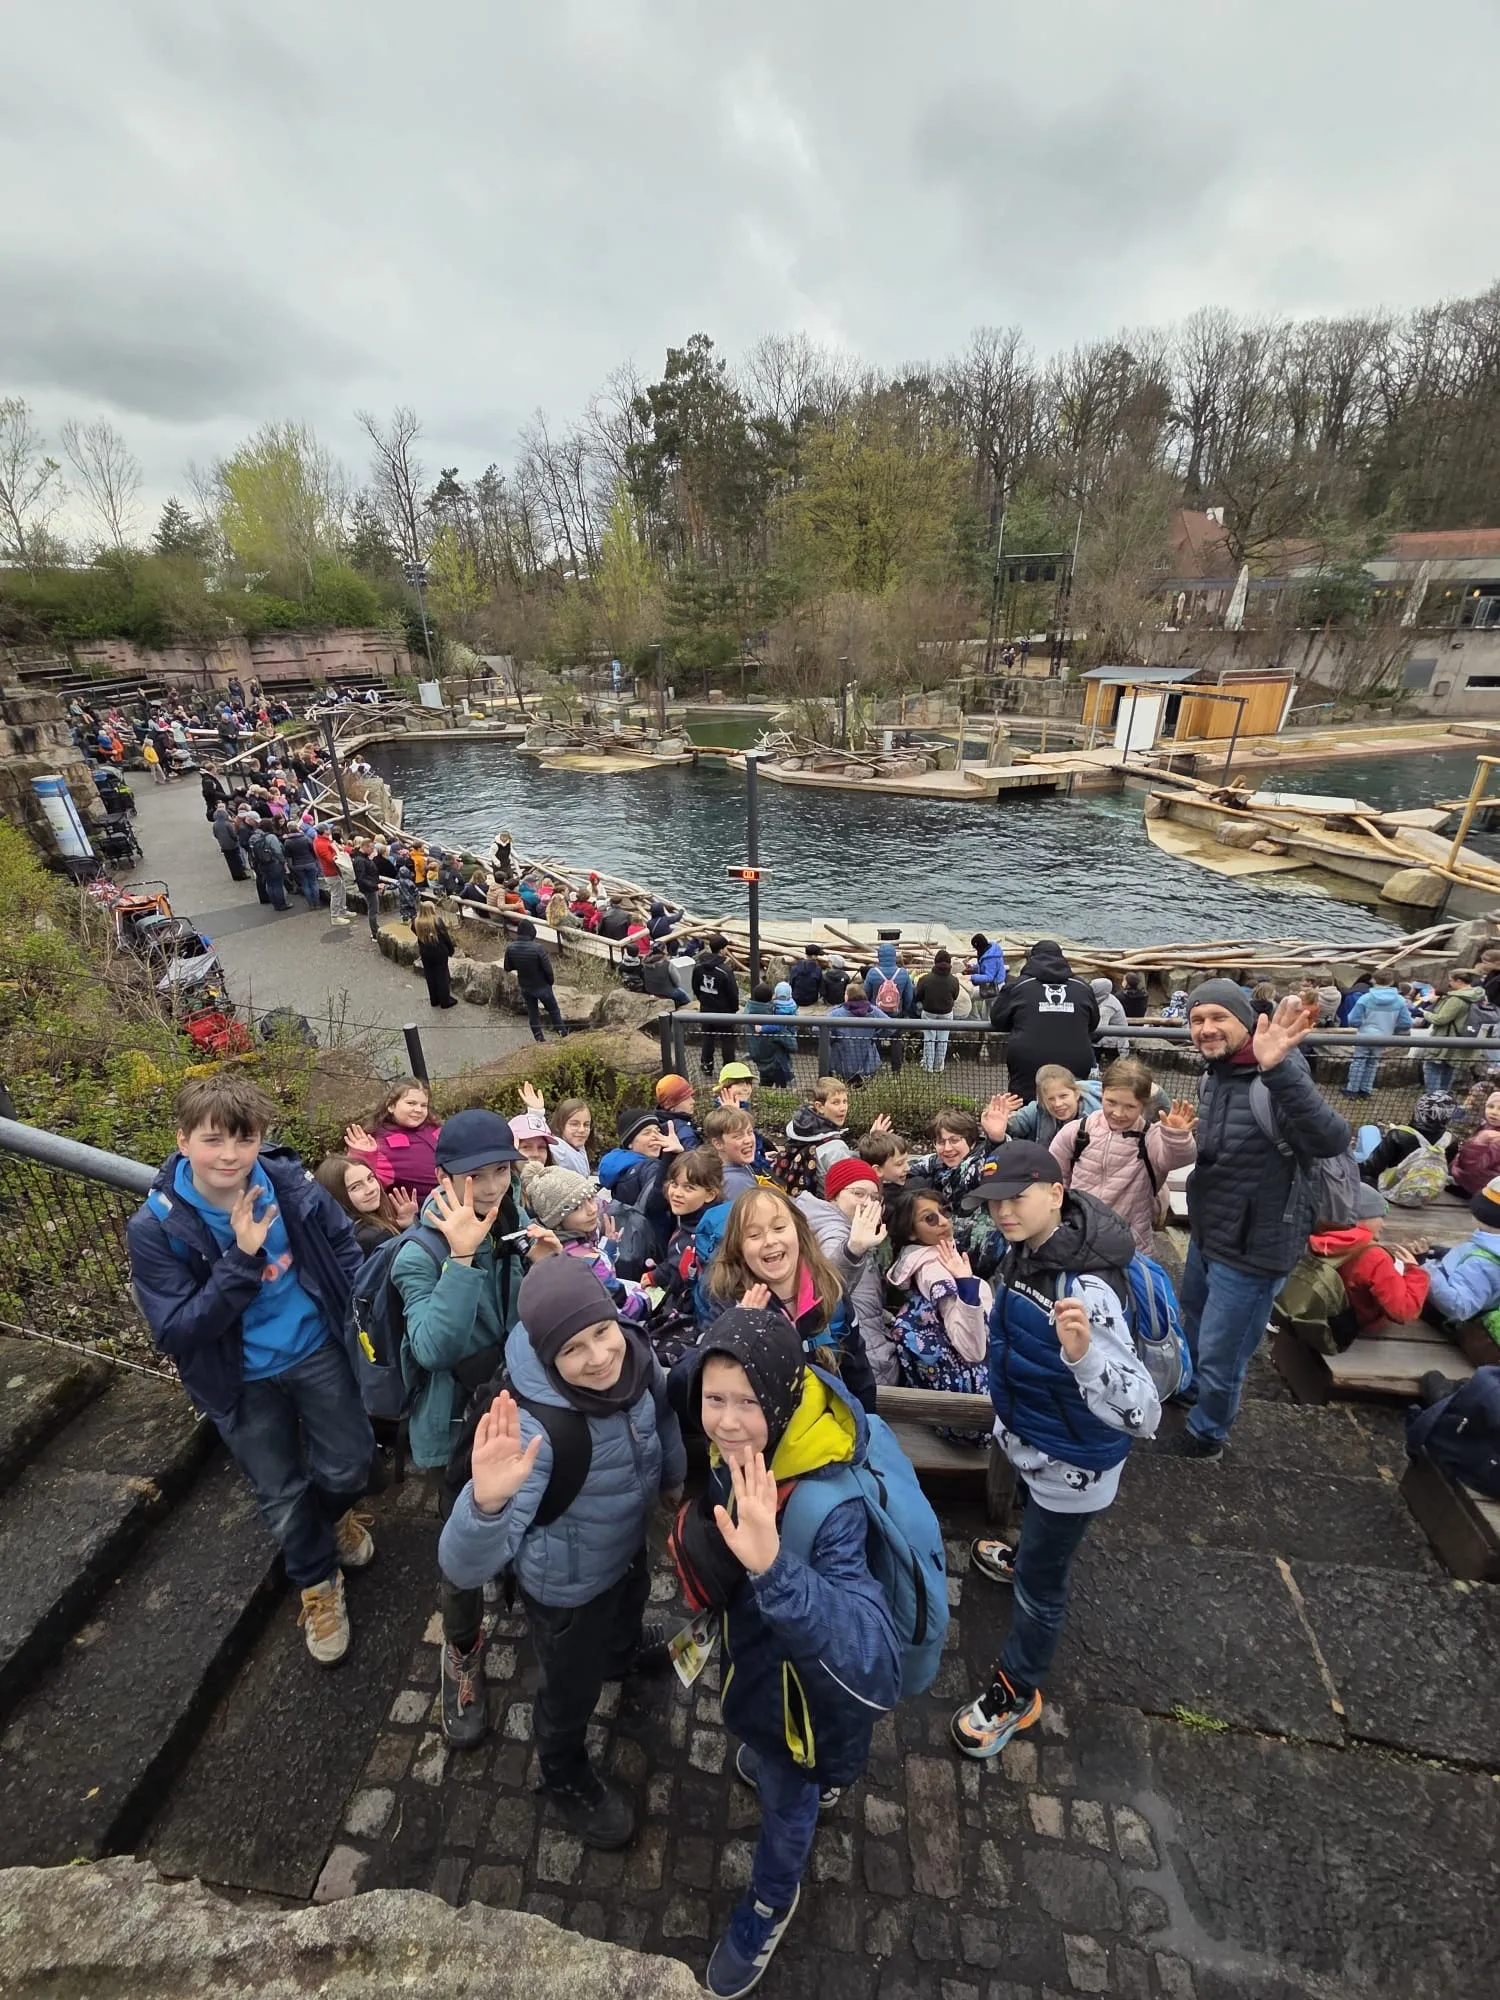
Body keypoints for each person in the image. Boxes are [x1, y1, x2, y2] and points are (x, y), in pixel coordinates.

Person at [669, 1308, 900, 1997]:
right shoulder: (752, 1447)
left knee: (789, 1803)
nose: (727, 1422)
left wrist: (773, 1568)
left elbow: (875, 1665)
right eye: (714, 1399)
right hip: (764, 1668)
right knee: (773, 1759)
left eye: (746, 1402)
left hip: (810, 1712)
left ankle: (771, 1901)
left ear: (779, 1397)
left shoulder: (830, 1507)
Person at [126, 1075, 373, 1666]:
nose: (230, 1156)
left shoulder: (289, 1182)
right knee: (279, 1492)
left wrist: (354, 1309)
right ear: (183, 1141)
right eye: (213, 1140)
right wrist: (241, 1257)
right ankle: (317, 1582)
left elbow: (342, 1243)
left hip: (316, 1348)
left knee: (351, 1463)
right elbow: (177, 1330)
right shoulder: (157, 1228)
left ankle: (331, 1517)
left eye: (244, 1139)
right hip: (238, 1377)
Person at [436, 1256, 681, 1842]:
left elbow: (663, 1419)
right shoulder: (535, 1430)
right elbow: (463, 1565)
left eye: (601, 1331)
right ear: (548, 1356)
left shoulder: (636, 1357)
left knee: (630, 1603)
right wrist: (487, 1504)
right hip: (567, 1588)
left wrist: (673, 1478)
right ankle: (563, 1769)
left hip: (623, 1545)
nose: (598, 1357)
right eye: (573, 1349)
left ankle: (621, 1652)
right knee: (570, 1687)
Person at [949, 1144, 1160, 1755]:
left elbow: (1144, 1414)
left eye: (1017, 1197)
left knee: (1042, 1589)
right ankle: (1027, 1554)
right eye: (995, 1202)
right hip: (1040, 1440)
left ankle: (1017, 1690)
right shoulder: (1031, 1249)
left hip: (1072, 1465)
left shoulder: (1084, 1287)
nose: (1003, 1212)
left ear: (1056, 1194)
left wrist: (1085, 1357)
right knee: (1039, 1542)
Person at [1166, 982, 1350, 1461]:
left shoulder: (1278, 1073)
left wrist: (1278, 1068)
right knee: (1195, 1318)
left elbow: (1331, 1140)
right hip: (1212, 1231)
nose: (1206, 1028)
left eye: (1218, 1017)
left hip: (1257, 1244)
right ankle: (1190, 1387)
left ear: (1246, 1021)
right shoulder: (1215, 1076)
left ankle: (1208, 1433)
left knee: (1224, 1350)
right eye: (1197, 1020)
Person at [390, 1111, 551, 1481]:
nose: (492, 1188)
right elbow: (433, 1351)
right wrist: (461, 1259)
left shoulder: (512, 1218)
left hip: (515, 1391)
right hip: (455, 1417)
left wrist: (550, 1267)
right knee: (467, 1501)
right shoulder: (418, 1255)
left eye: (501, 1170)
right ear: (442, 1178)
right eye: (475, 1176)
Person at [704, 1187, 877, 1411]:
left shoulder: (831, 1291)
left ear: (798, 1231)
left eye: (779, 1228)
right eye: (754, 1235)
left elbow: (858, 1373)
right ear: (738, 1248)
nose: (769, 1240)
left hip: (829, 1424)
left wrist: (865, 1423)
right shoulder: (726, 1302)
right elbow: (693, 1379)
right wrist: (737, 1333)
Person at [1050, 1055, 1198, 1258]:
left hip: (1131, 1242)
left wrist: (1176, 1136)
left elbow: (1178, 1158)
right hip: (1080, 1234)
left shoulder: (1151, 1138)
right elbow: (1056, 1176)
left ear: (1143, 1105)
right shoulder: (1077, 1132)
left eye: (1130, 1106)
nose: (1119, 1113)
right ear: (1102, 1094)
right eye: (1111, 1102)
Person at [885, 1184, 992, 1401]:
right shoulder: (935, 1272)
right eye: (930, 1219)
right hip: (973, 1396)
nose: (943, 1221)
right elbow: (972, 1349)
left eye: (945, 1211)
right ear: (911, 1232)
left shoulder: (914, 1260)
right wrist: (966, 1283)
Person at [793, 1155, 894, 1383]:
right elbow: (827, 1288)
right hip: (862, 1358)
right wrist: (852, 1250)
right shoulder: (835, 1231)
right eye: (858, 1193)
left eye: (874, 1197)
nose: (867, 1203)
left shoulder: (839, 1224)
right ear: (834, 1196)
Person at [989, 942, 1099, 1103]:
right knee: (1070, 1102)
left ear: (1031, 959)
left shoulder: (1018, 986)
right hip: (1076, 1057)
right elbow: (1093, 1023)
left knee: (1024, 1104)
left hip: (1028, 1059)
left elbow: (997, 1019)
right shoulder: (1082, 987)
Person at [649, 1147, 729, 1363]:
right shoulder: (688, 1221)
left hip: (697, 1320)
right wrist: (655, 1276)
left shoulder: (706, 1237)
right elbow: (675, 1263)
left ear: (710, 1194)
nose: (676, 1192)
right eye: (674, 1184)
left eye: (689, 1187)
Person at [1301, 1212, 1430, 1331]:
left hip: (1318, 1308)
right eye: (1380, 1216)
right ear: (1358, 1218)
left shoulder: (1315, 1234)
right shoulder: (1375, 1257)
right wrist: (1415, 1270)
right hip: (1357, 1323)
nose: (1383, 1224)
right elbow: (1402, 1312)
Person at [344, 1078, 444, 1201]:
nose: (418, 1110)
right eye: (411, 1103)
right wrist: (363, 1156)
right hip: (426, 1208)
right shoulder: (378, 1144)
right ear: (391, 1106)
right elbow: (368, 1187)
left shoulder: (436, 1129)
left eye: (423, 1105)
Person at [1424, 1176, 1500, 1324]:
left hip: (1443, 1314)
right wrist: (1449, 1253)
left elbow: (1458, 1307)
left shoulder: (1480, 1263)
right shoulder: (1490, 1244)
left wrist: (1424, 1268)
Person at [314, 1152, 419, 1254]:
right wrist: (414, 1228)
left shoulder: (334, 1231)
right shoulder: (374, 1237)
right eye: (355, 1187)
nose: (370, 1189)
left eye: (370, 1178)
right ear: (335, 1196)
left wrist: (401, 1226)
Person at [780, 1077, 854, 1199]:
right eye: (836, 1102)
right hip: (826, 1203)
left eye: (845, 1101)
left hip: (797, 1200)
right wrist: (872, 1148)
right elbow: (849, 1186)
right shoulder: (836, 1149)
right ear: (819, 1106)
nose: (843, 1108)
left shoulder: (798, 1129)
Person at [1005, 1065, 1103, 1150]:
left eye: (1063, 1096)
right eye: (1051, 1099)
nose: (1058, 1104)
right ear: (1042, 1101)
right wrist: (1002, 1117)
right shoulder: (1037, 1110)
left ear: (1076, 1094)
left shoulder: (1097, 1116)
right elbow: (1015, 1124)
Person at [1345, 976, 1412, 1097]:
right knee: (1373, 1062)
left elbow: (1353, 1020)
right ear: (1391, 981)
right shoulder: (1399, 1000)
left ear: (1373, 980)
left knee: (1358, 1062)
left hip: (1364, 1035)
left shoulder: (1365, 998)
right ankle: (1366, 1090)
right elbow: (1406, 1022)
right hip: (1384, 1036)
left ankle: (1352, 1090)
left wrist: (1361, 1025)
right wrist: (1392, 1028)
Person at [1421, 969, 1483, 1094]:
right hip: (1463, 1038)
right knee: (1450, 1068)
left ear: (1459, 981)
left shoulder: (1456, 999)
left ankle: (1433, 1098)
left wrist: (1425, 1013)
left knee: (1432, 1068)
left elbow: (1441, 1019)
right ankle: (1444, 1097)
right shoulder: (1478, 996)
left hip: (1444, 1040)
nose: (1449, 984)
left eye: (1451, 981)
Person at [504, 920, 566, 1043]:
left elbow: (507, 967)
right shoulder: (538, 948)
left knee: (533, 1013)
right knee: (553, 1010)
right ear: (532, 932)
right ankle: (563, 1035)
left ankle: (539, 1038)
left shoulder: (511, 948)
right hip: (542, 986)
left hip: (525, 986)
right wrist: (550, 982)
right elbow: (548, 970)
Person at [692, 935, 741, 1077]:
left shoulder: (699, 967)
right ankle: (729, 1069)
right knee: (727, 1040)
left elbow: (695, 987)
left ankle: (706, 1065)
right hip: (724, 1012)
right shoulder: (725, 971)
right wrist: (733, 1009)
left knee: (708, 1037)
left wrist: (703, 1000)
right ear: (721, 950)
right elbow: (733, 993)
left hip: (706, 1009)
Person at [826, 983, 887, 1085]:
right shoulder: (873, 1011)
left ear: (847, 996)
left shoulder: (836, 1013)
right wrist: (877, 1036)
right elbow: (891, 1026)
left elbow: (817, 1028)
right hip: (868, 1063)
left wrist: (832, 1038)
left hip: (842, 1062)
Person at [702, 1106, 763, 1202]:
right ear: (718, 1144)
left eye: (750, 1132)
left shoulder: (715, 1165)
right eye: (738, 1136)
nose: (748, 1140)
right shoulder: (736, 1182)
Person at [914, 952, 961, 1073]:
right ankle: (939, 1066)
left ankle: (928, 1066)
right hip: (946, 1013)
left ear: (935, 962)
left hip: (929, 1012)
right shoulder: (954, 980)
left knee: (929, 1039)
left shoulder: (925, 979)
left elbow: (918, 995)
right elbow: (955, 996)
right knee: (943, 1040)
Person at [1449, 1087, 1500, 1195]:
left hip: (1479, 1187)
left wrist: (1479, 1142)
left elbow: (1470, 1165)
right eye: (1491, 1106)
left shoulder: (1494, 1138)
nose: (1494, 1112)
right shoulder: (1487, 1125)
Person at [745, 982, 797, 1087]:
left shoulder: (747, 1014)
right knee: (785, 1088)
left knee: (765, 1085)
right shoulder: (773, 1018)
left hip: (759, 1060)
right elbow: (793, 1046)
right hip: (776, 1063)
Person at [414, 903, 459, 1009]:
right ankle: (445, 1001)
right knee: (442, 976)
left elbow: (415, 932)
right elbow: (445, 937)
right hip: (439, 952)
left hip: (425, 952)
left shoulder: (416, 922)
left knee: (430, 975)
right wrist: (451, 950)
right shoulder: (437, 921)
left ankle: (434, 999)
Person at [249, 819, 289, 911]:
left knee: (269, 884)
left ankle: (275, 904)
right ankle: (281, 904)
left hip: (261, 864)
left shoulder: (253, 837)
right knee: (277, 885)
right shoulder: (271, 837)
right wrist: (283, 861)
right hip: (274, 863)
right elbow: (278, 851)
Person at [313, 825, 349, 924]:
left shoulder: (323, 840)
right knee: (336, 894)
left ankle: (342, 910)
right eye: (328, 828)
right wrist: (337, 850)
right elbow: (329, 859)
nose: (330, 830)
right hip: (331, 872)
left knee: (342, 891)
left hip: (336, 871)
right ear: (325, 831)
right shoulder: (321, 844)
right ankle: (335, 916)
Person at [654, 1075, 700, 1150]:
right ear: (672, 1104)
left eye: (691, 1096)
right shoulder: (685, 1133)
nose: (693, 1101)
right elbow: (695, 1156)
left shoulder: (656, 1123)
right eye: (686, 1098)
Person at [281, 823, 321, 909]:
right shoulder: (306, 838)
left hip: (297, 865)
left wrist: (291, 867)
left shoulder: (287, 842)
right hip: (310, 862)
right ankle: (317, 904)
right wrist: (315, 860)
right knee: (313, 883)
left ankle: (311, 905)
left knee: (305, 884)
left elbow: (288, 856)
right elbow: (313, 851)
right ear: (298, 828)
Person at [1091, 977, 1132, 1060]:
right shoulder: (1105, 997)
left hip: (1115, 1041)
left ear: (1098, 990)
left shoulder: (1107, 1007)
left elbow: (1099, 1031)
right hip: (1110, 1035)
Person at [352, 840, 383, 938]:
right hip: (369, 889)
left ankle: (375, 930)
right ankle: (375, 933)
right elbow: (361, 878)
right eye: (371, 848)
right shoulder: (360, 861)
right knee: (373, 910)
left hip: (370, 886)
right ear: (364, 847)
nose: (372, 850)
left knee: (373, 909)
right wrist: (375, 886)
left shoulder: (362, 858)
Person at [210, 804, 249, 882]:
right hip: (232, 844)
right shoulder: (227, 824)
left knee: (230, 861)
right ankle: (241, 874)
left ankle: (235, 875)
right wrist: (236, 839)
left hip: (223, 845)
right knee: (237, 860)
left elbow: (215, 835)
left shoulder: (215, 824)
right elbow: (233, 834)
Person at [786, 944, 826, 1009]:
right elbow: (821, 987)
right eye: (817, 955)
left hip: (796, 998)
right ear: (813, 956)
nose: (817, 957)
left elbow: (791, 983)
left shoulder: (795, 968)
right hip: (811, 1000)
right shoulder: (817, 969)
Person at [967, 934, 1006, 998]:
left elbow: (989, 977)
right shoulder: (988, 950)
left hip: (996, 986)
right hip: (992, 983)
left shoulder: (990, 958)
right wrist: (973, 968)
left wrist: (971, 977)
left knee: (970, 994)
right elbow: (985, 966)